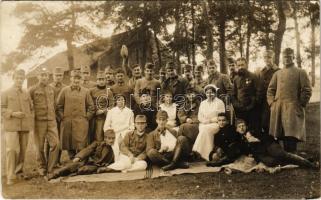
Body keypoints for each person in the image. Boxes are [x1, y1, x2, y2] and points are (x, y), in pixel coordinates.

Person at [207, 119, 318, 169]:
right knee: (271, 162)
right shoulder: (239, 142)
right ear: (236, 129)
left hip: (268, 145)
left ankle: (311, 165)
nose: (242, 128)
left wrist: (256, 138)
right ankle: (304, 160)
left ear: (246, 126)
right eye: (239, 127)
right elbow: (229, 157)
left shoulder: (254, 131)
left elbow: (268, 137)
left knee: (281, 154)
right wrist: (214, 164)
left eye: (243, 126)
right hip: (260, 154)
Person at [267, 48, 312, 153]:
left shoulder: (301, 72)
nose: (286, 59)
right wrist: (272, 104)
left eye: (289, 56)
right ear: (282, 58)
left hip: (293, 107)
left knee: (291, 134)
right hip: (278, 108)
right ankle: (285, 157)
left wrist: (300, 103)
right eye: (285, 57)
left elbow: (307, 90)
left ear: (293, 57)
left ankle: (292, 156)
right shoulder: (277, 73)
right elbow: (270, 90)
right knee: (281, 133)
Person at [1, 69, 33, 185]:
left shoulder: (26, 93)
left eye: (21, 78)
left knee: (23, 151)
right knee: (12, 150)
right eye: (17, 78)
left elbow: (31, 107)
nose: (19, 80)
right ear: (13, 78)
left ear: (24, 79)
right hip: (11, 126)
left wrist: (29, 118)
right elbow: (1, 109)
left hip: (24, 126)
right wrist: (13, 113)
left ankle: (18, 172)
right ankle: (10, 175)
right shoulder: (5, 93)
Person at [47, 129, 117, 180]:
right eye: (109, 138)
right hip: (87, 161)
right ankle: (53, 175)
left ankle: (69, 175)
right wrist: (79, 157)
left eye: (113, 139)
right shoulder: (97, 143)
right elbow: (88, 149)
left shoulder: (113, 150)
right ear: (105, 138)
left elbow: (111, 163)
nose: (111, 140)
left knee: (83, 170)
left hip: (95, 166)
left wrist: (103, 168)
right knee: (72, 165)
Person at [56, 69, 95, 159]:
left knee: (81, 143)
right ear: (71, 79)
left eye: (78, 78)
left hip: (81, 122)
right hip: (68, 122)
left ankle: (80, 161)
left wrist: (86, 118)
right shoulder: (64, 90)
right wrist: (62, 117)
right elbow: (59, 106)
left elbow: (91, 107)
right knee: (69, 143)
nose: (76, 80)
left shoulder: (86, 91)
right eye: (74, 78)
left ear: (81, 80)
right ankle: (71, 162)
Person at [29, 68, 60, 177]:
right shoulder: (32, 90)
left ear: (49, 76)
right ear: (38, 76)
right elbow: (29, 106)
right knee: (39, 146)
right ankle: (41, 167)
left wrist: (54, 117)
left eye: (46, 75)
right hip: (39, 122)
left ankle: (51, 168)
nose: (44, 77)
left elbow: (55, 104)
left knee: (56, 144)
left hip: (51, 121)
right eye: (42, 75)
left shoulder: (52, 89)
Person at [192, 84, 226, 161]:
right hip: (203, 123)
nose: (209, 94)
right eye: (207, 93)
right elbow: (200, 116)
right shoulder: (203, 103)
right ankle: (208, 154)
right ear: (205, 93)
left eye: (211, 92)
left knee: (205, 130)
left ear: (215, 93)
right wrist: (205, 121)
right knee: (204, 129)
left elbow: (221, 116)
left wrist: (210, 120)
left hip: (215, 124)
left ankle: (198, 152)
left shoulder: (219, 102)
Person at [46, 67, 67, 165]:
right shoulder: (48, 87)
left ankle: (57, 161)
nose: (58, 77)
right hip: (51, 117)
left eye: (60, 75)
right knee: (50, 139)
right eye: (56, 75)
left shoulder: (66, 87)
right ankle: (48, 161)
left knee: (60, 138)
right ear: (52, 76)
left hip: (62, 117)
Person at [232, 57, 258, 132]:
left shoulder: (253, 76)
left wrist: (252, 105)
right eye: (239, 65)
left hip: (252, 109)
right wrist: (237, 105)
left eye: (242, 65)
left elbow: (258, 92)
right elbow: (233, 95)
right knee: (241, 130)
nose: (240, 67)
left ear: (246, 65)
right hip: (239, 109)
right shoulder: (236, 79)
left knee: (252, 130)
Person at [257, 50, 279, 135]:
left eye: (269, 57)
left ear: (273, 58)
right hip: (262, 101)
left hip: (273, 100)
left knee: (272, 123)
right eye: (265, 57)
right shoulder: (261, 71)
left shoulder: (278, 71)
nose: (267, 59)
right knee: (263, 122)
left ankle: (273, 142)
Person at [89, 71, 114, 142]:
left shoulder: (109, 91)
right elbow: (90, 103)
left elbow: (112, 104)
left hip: (106, 117)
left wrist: (104, 111)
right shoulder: (92, 91)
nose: (101, 81)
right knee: (95, 136)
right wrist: (96, 111)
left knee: (105, 136)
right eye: (99, 79)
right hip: (95, 116)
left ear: (105, 80)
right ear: (96, 81)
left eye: (103, 79)